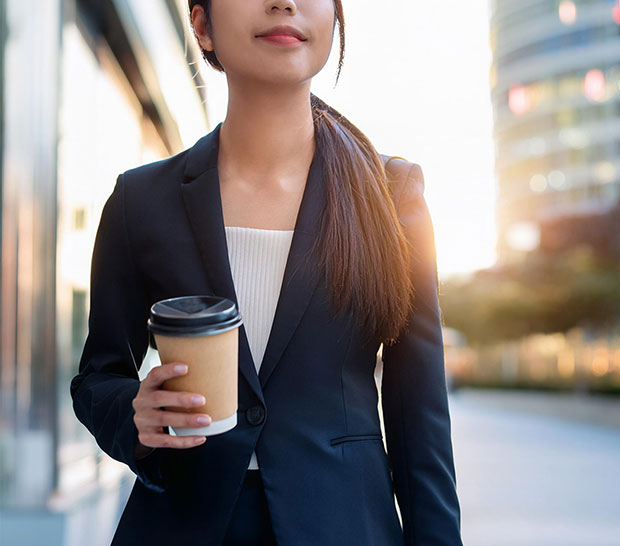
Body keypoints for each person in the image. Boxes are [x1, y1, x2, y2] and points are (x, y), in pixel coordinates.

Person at [69, 0, 463, 544]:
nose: (285, 3)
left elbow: (420, 420)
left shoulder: (389, 196)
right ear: (202, 25)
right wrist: (134, 412)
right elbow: (99, 376)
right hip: (182, 525)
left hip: (345, 525)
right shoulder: (141, 201)